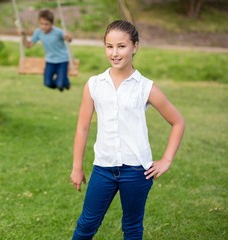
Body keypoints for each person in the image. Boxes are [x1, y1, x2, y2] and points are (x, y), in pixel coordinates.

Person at [70, 20, 185, 240]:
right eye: (109, 46)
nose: (114, 52)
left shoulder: (145, 87)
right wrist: (77, 167)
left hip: (136, 171)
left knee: (132, 227)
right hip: (103, 169)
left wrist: (167, 160)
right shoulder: (94, 84)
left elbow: (178, 122)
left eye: (121, 46)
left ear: (135, 46)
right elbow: (82, 128)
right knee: (87, 224)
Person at [21, 9, 72, 92]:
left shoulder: (58, 32)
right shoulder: (38, 32)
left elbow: (69, 40)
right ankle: (62, 82)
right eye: (41, 24)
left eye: (46, 24)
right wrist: (23, 36)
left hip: (62, 60)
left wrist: (68, 37)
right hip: (50, 61)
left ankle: (64, 83)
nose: (43, 26)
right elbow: (28, 45)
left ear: (52, 24)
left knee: (60, 84)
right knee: (47, 83)